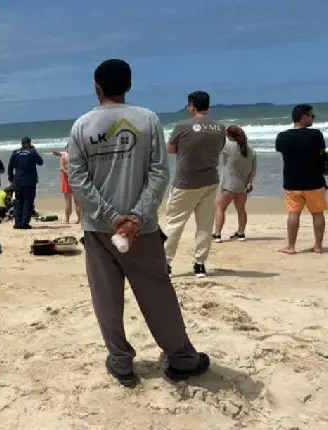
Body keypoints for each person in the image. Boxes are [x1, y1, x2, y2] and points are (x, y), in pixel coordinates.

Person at [69, 58, 208, 387]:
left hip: (99, 230)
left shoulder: (81, 126)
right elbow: (160, 173)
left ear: (97, 87)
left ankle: (120, 361)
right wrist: (136, 217)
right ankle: (181, 358)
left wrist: (109, 216)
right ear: (129, 86)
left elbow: (78, 178)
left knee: (106, 297)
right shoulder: (147, 119)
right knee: (157, 291)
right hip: (140, 229)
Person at [163, 91, 225, 278]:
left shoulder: (183, 126)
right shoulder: (220, 127)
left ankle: (165, 263)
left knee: (174, 223)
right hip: (210, 180)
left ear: (192, 106)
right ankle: (200, 264)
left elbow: (170, 149)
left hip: (186, 181)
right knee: (205, 224)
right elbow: (220, 148)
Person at [275, 104, 327, 254]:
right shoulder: (316, 135)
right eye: (311, 116)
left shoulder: (283, 136)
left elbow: (280, 150)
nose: (313, 118)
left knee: (293, 214)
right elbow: (322, 155)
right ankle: (318, 246)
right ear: (303, 117)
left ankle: (291, 246)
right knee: (317, 214)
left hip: (292, 181)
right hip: (314, 181)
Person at [213, 125, 256, 243]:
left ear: (229, 135)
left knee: (220, 208)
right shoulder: (251, 150)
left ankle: (217, 234)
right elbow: (253, 170)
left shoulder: (228, 146)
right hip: (242, 187)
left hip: (228, 186)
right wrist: (249, 183)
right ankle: (241, 233)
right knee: (241, 210)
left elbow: (214, 147)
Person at [7, 136, 43, 229]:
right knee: (28, 201)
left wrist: (11, 178)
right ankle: (24, 223)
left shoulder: (15, 153)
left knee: (18, 202)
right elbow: (40, 162)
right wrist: (34, 151)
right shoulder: (32, 152)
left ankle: (17, 223)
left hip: (18, 181)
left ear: (21, 143)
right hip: (29, 182)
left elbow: (10, 166)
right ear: (29, 143)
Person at [53, 146, 82, 224]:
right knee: (77, 201)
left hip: (66, 179)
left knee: (67, 200)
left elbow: (62, 168)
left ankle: (67, 219)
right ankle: (79, 219)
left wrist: (69, 174)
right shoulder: (77, 155)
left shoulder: (64, 156)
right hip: (76, 179)